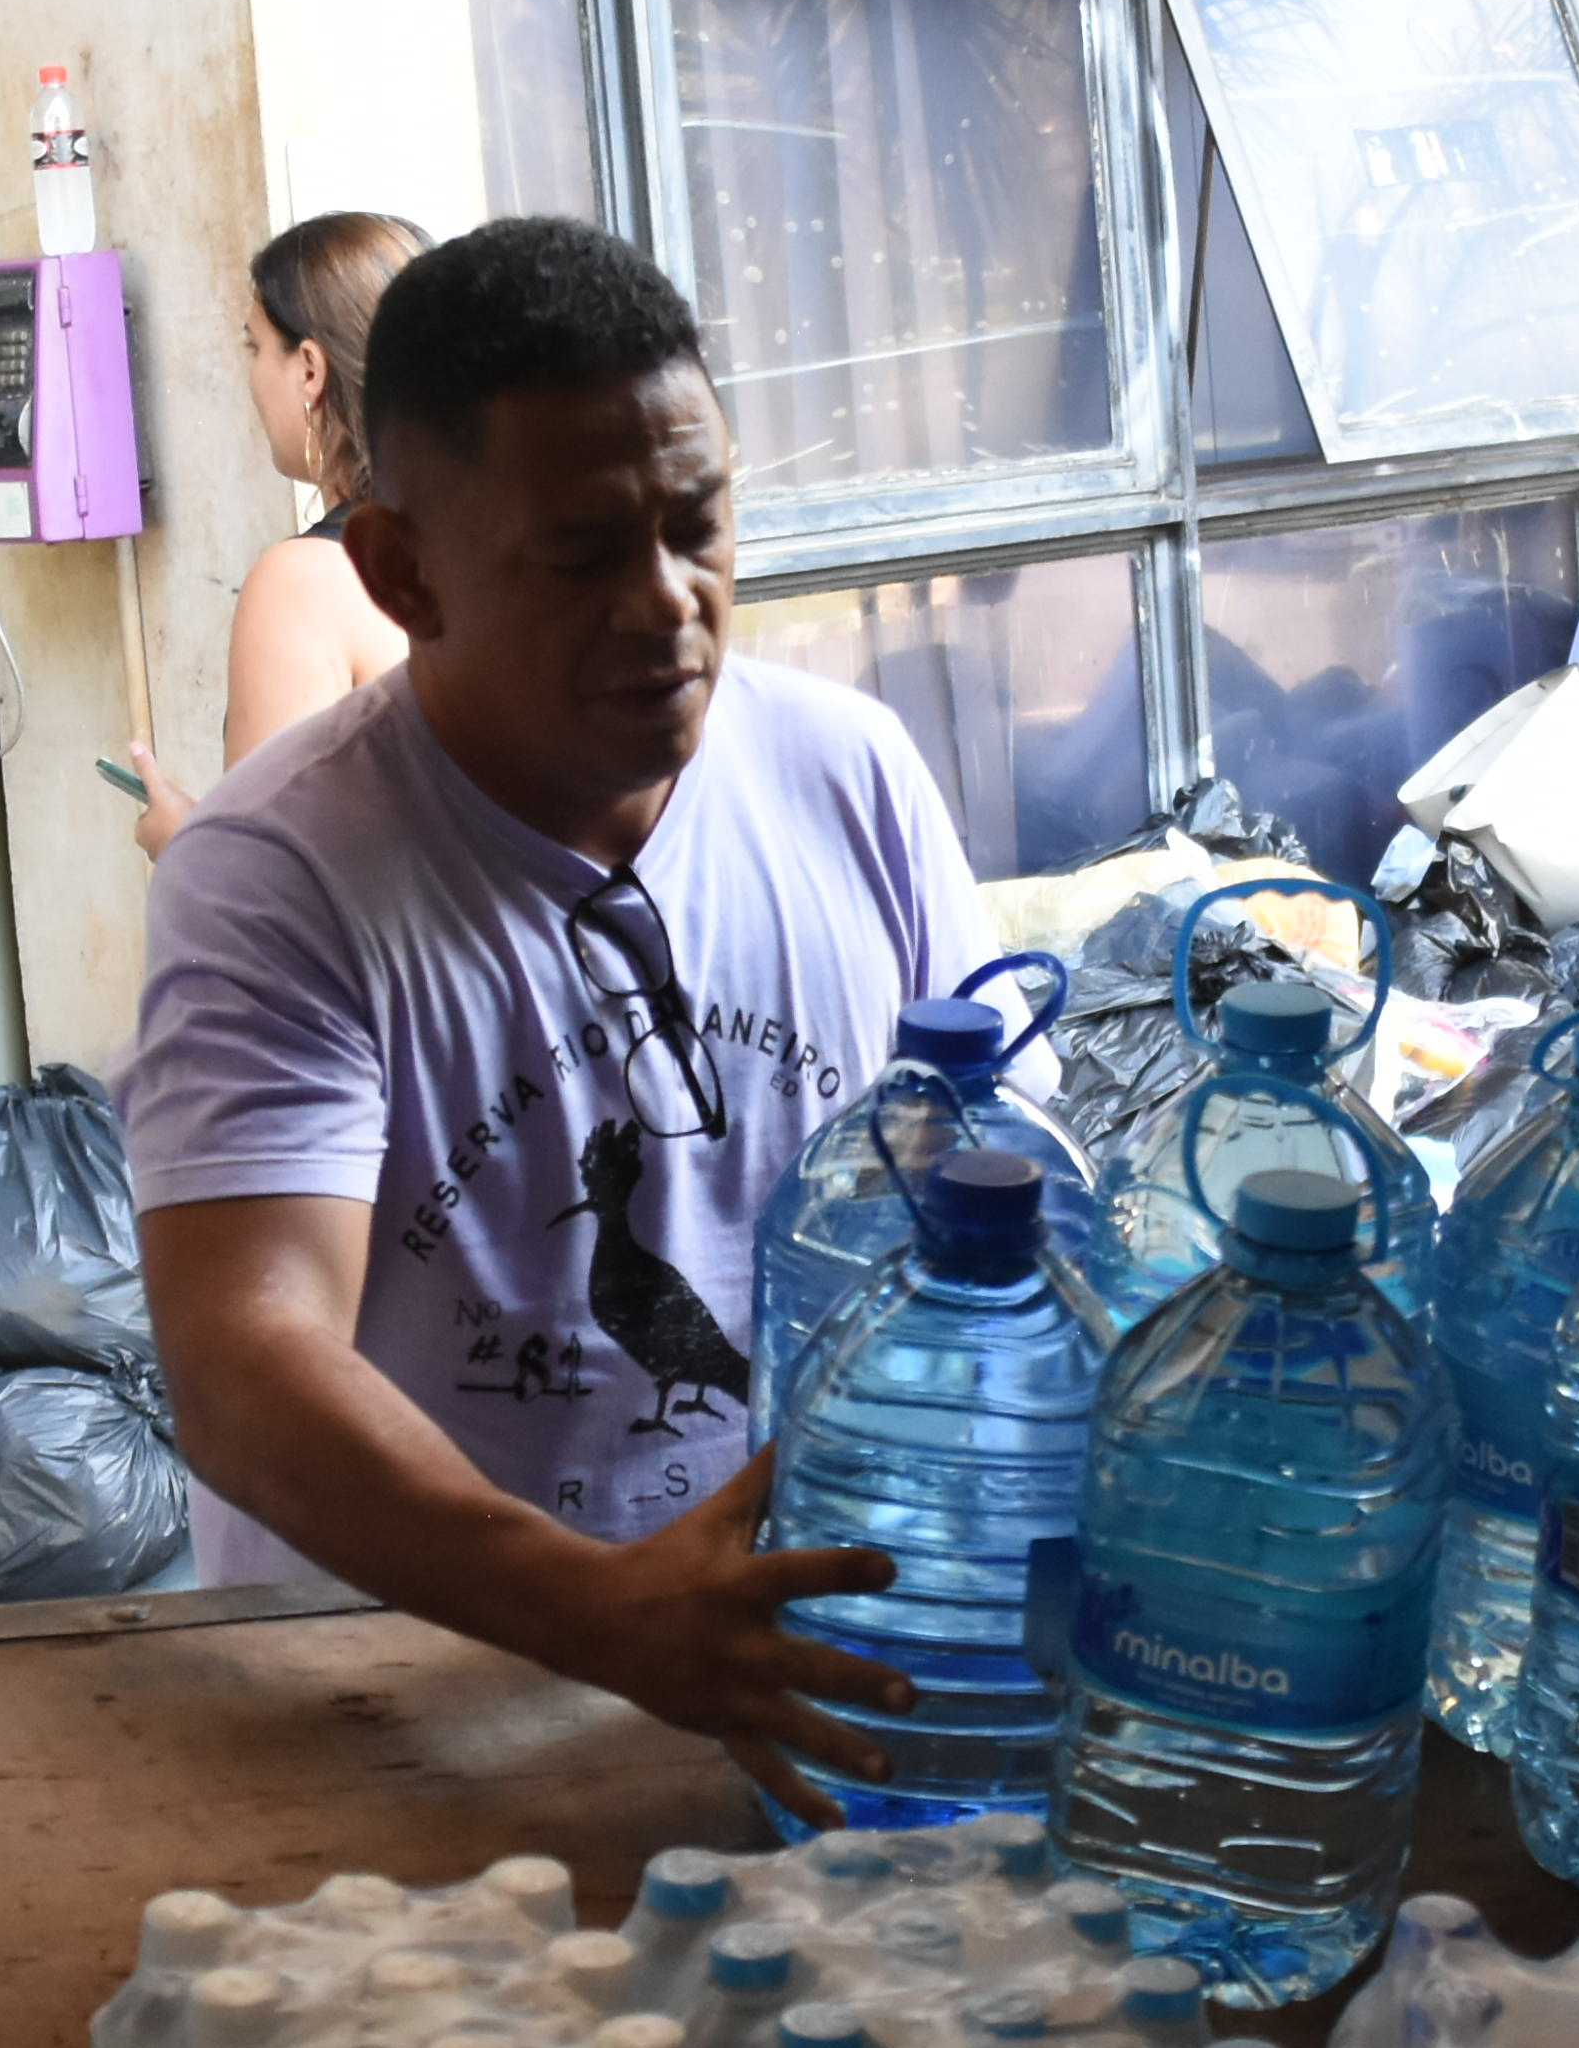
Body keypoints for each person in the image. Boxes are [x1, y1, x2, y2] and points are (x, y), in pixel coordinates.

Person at [126, 215, 989, 1818]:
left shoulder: (849, 777)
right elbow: (245, 1357)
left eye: (700, 524)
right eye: (584, 554)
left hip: (798, 1679)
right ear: (403, 575)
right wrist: (599, 1610)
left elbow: (1001, 1193)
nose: (670, 605)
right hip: (404, 1714)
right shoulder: (280, 879)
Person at [125, 208, 425, 859]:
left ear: (310, 369)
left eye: (254, 347)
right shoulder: (498, 540)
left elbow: (265, 885)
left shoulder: (307, 582)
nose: (251, 376)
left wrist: (184, 839)